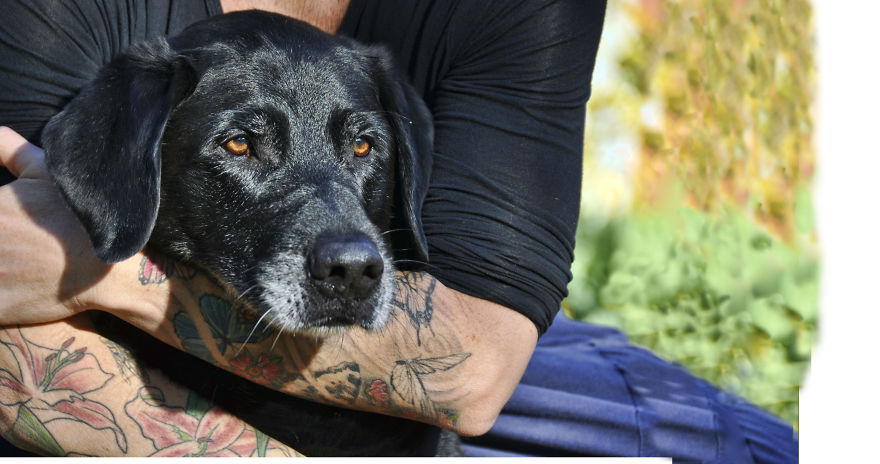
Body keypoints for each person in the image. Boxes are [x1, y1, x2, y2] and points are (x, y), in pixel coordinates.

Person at [0, 0, 797, 461]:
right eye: (242, 145)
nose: (349, 246)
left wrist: (97, 270)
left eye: (360, 151)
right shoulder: (77, 34)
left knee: (736, 441)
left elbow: (476, 370)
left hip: (495, 373)